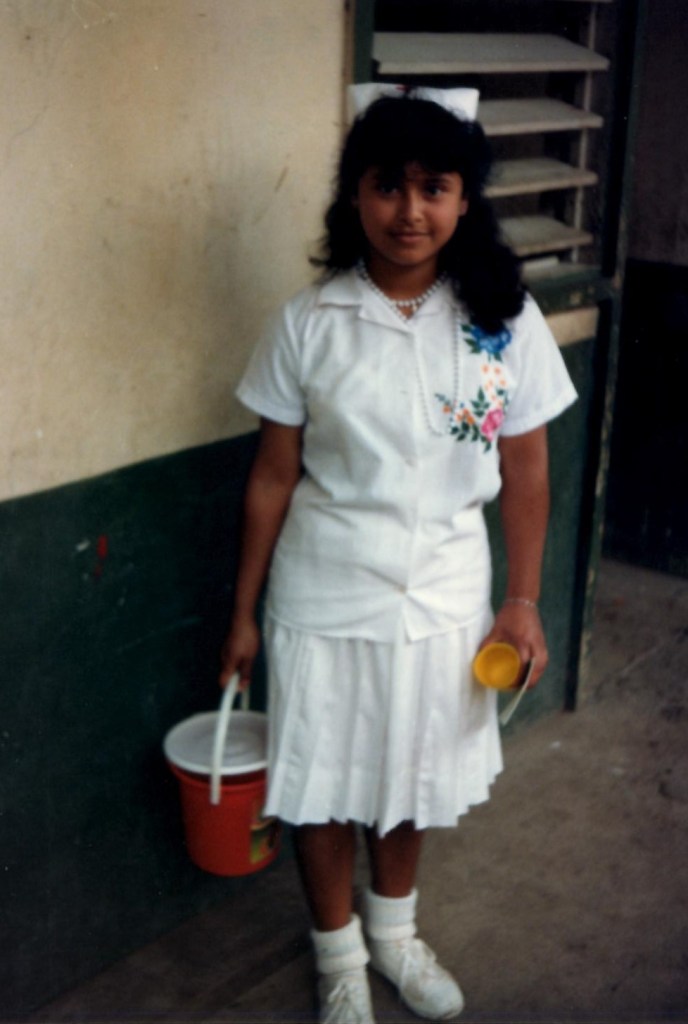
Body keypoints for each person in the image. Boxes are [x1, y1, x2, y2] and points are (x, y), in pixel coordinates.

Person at [220, 87, 577, 1023]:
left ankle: (395, 935)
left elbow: (529, 471)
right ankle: (339, 956)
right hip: (324, 591)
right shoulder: (310, 322)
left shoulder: (504, 319)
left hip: (448, 596)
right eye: (387, 186)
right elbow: (271, 476)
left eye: (434, 186)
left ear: (466, 201)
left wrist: (525, 601)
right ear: (355, 198)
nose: (409, 210)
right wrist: (243, 613)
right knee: (324, 780)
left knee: (412, 777)